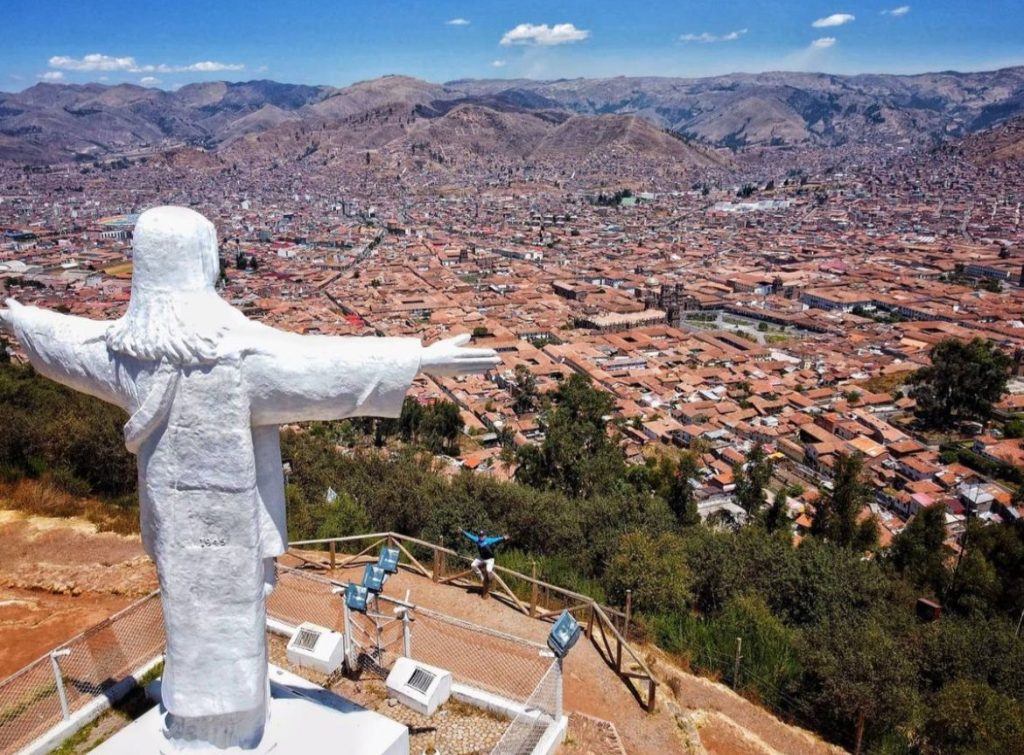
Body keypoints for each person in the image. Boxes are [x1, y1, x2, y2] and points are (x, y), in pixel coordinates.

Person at [462, 529, 508, 597]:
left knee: (489, 570)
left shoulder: (489, 540)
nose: (481, 537)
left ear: (485, 536)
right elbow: (470, 536)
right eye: (480, 535)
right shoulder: (477, 540)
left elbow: (497, 539)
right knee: (473, 565)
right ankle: (481, 576)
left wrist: (503, 537)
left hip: (490, 559)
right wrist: (462, 532)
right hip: (482, 558)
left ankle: (490, 579)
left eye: (482, 535)